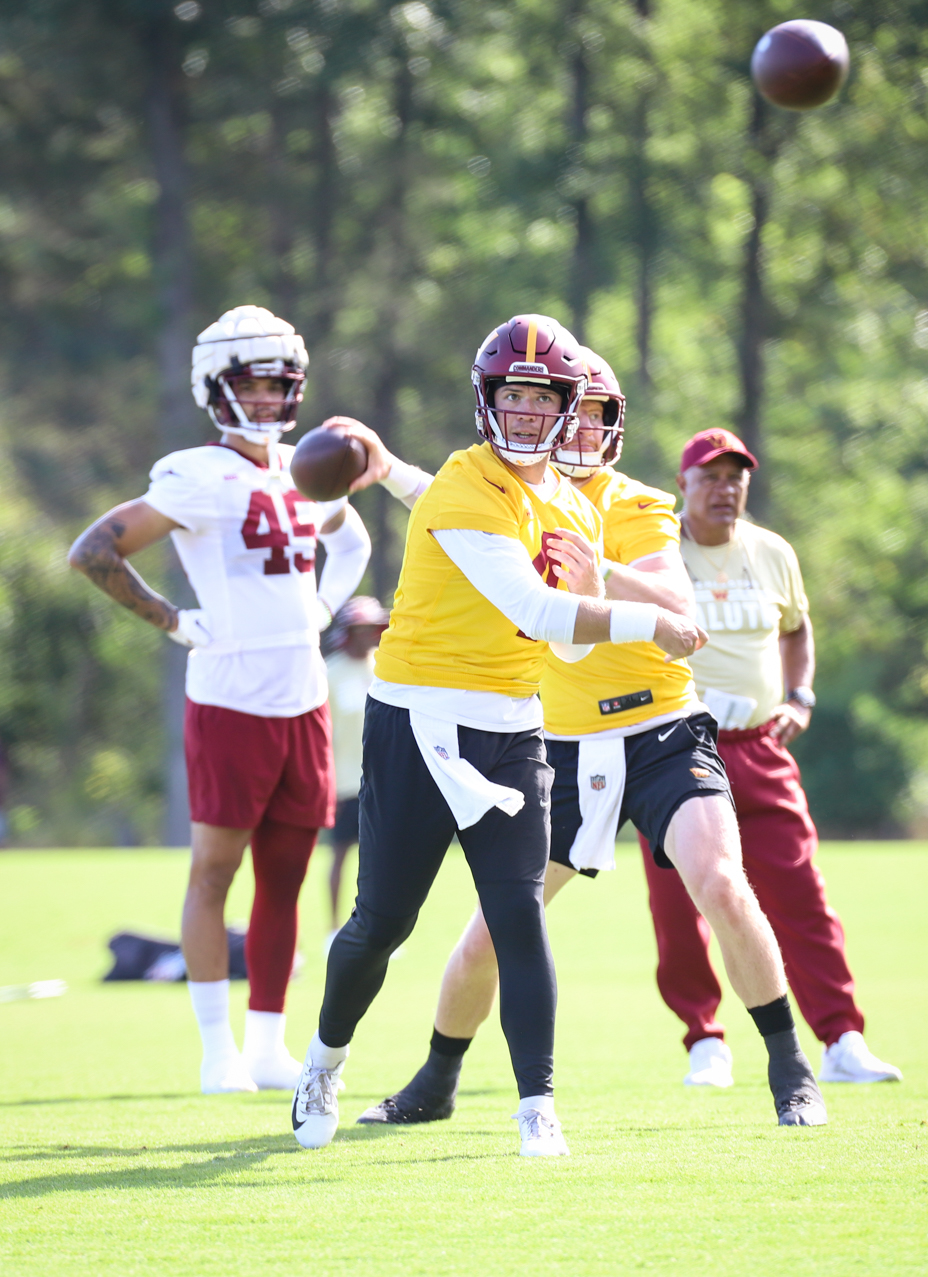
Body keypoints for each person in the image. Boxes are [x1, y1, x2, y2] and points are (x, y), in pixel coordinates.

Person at [353, 350, 829, 1132]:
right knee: (490, 935)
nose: (583, 427)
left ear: (611, 425)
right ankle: (436, 1079)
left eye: (600, 414)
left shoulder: (633, 501)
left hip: (662, 730)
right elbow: (447, 506)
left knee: (719, 880)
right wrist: (389, 465)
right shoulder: (511, 495)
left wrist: (595, 568)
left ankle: (790, 1067)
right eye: (577, 411)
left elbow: (677, 597)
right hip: (565, 746)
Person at [290, 315, 703, 1157]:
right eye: (509, 394)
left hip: (512, 728)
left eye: (538, 395)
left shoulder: (566, 505)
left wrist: (611, 610)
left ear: (565, 404)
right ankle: (324, 1061)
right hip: (420, 722)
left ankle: (536, 1105)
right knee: (383, 921)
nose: (521, 411)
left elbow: (569, 640)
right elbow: (535, 608)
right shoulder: (460, 482)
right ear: (488, 400)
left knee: (517, 913)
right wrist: (650, 623)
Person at [69, 305, 371, 1094]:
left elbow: (354, 540)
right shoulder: (196, 474)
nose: (270, 399)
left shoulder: (302, 468)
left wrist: (323, 604)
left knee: (287, 875)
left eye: (281, 385)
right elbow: (93, 549)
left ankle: (268, 1043)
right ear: (216, 387)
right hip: (230, 694)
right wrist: (172, 620)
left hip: (302, 696)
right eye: (253, 383)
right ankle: (216, 1050)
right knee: (215, 870)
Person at [640, 427, 902, 1088]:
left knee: (801, 895)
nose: (724, 489)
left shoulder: (772, 551)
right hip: (676, 746)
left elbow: (797, 627)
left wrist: (800, 696)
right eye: (711, 477)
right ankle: (705, 1038)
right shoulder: (657, 553)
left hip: (760, 745)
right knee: (678, 902)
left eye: (736, 478)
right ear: (684, 484)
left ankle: (842, 1037)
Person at [322, 595, 389, 939]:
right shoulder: (329, 673)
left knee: (383, 858)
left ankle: (379, 929)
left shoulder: (386, 665)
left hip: (384, 780)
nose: (368, 635)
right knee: (341, 854)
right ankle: (335, 929)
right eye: (361, 629)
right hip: (344, 781)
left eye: (373, 628)